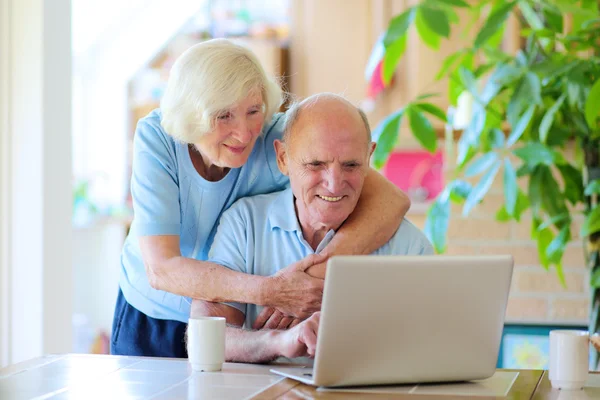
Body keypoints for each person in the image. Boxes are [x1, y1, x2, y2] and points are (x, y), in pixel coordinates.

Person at [111, 39, 412, 358]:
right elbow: (162, 269)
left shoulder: (274, 136)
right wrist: (274, 291)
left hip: (227, 320)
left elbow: (389, 199)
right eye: (223, 116)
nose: (244, 133)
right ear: (192, 113)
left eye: (253, 111)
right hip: (153, 316)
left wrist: (314, 279)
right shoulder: (158, 138)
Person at [190, 93, 434, 363]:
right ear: (283, 158)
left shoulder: (409, 245)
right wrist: (278, 342)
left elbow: (431, 347)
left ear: (369, 157)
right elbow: (206, 338)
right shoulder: (244, 224)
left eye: (351, 165)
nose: (334, 183)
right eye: (316, 164)